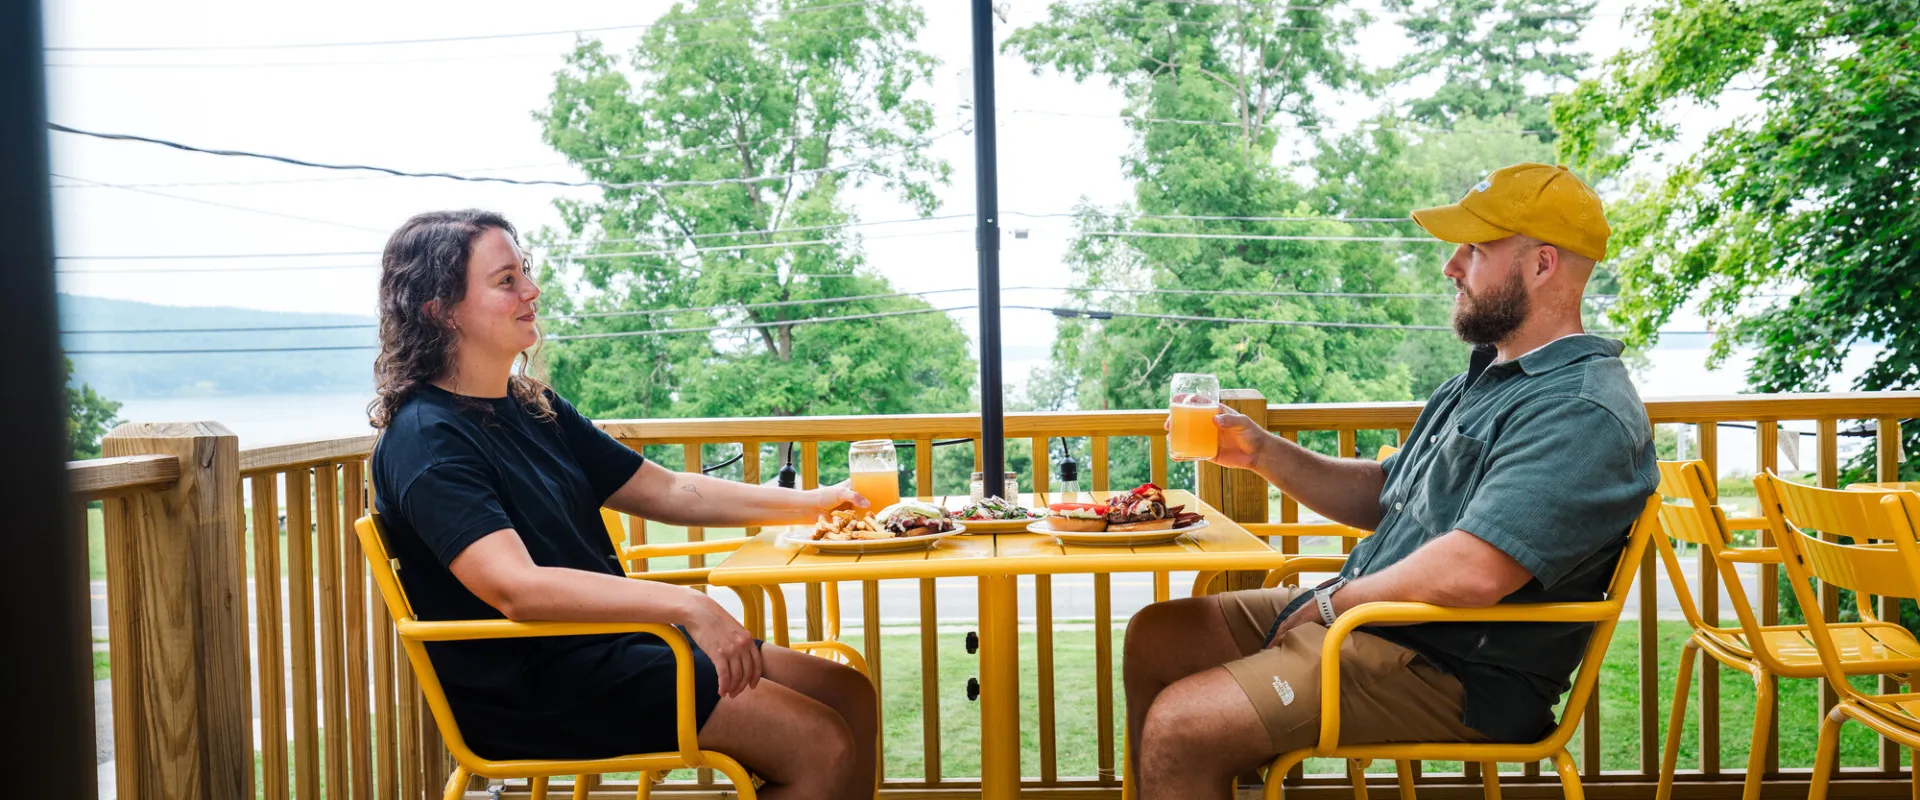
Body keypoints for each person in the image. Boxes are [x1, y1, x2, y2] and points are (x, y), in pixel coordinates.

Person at [1127, 163, 1658, 799]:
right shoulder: (1483, 380)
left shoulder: (1579, 410)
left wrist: (1331, 605)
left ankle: (1195, 761)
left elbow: (1474, 573)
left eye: (1475, 250)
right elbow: (1389, 497)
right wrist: (1263, 452)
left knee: (1182, 728)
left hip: (1450, 669)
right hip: (1382, 625)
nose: (1451, 267)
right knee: (1159, 636)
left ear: (1542, 265)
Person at [368, 210, 875, 800]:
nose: (531, 290)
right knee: (821, 745)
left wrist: (815, 504)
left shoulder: (534, 409)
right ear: (440, 310)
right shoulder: (427, 438)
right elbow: (517, 587)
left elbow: (663, 489)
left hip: (613, 647)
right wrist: (689, 606)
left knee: (848, 695)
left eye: (524, 273)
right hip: (539, 683)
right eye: (506, 280)